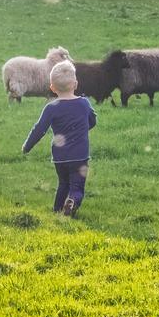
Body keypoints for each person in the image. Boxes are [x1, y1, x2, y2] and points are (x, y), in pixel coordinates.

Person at [21, 61, 96, 216]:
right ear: (75, 84)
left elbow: (39, 129)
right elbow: (92, 121)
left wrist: (27, 146)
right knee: (76, 187)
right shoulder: (84, 103)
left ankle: (57, 211)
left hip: (60, 157)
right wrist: (83, 129)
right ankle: (72, 202)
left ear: (52, 88)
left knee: (63, 184)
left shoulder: (51, 108)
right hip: (80, 156)